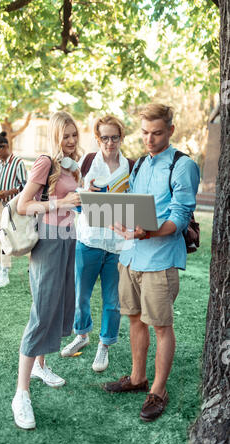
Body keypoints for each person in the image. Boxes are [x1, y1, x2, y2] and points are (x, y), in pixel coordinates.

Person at [103, 103, 200, 422]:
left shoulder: (182, 165)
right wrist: (116, 217)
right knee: (134, 319)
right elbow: (134, 206)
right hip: (130, 255)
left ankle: (158, 390)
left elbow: (181, 217)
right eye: (144, 132)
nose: (149, 139)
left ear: (171, 130)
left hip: (160, 259)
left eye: (157, 133)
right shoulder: (141, 163)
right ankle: (137, 378)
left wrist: (150, 231)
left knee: (161, 326)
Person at [11, 111, 81, 430]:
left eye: (74, 135)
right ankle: (21, 395)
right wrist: (61, 203)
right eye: (65, 135)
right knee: (41, 312)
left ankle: (41, 366)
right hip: (49, 240)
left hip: (68, 237)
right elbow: (23, 205)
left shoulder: (71, 165)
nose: (70, 141)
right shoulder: (45, 162)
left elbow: (71, 202)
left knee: (58, 307)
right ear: (55, 136)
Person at [61, 115, 134, 372]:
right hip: (89, 240)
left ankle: (105, 344)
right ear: (97, 138)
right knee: (81, 294)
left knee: (112, 300)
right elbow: (72, 197)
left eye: (114, 137)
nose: (110, 142)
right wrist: (84, 192)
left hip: (117, 247)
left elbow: (133, 207)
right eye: (105, 137)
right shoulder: (87, 162)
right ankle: (82, 334)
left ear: (121, 137)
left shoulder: (130, 167)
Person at [0, 132, 28, 288]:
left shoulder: (18, 163)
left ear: (5, 147)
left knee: (5, 239)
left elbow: (25, 186)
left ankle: (5, 273)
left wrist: (8, 192)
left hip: (7, 207)